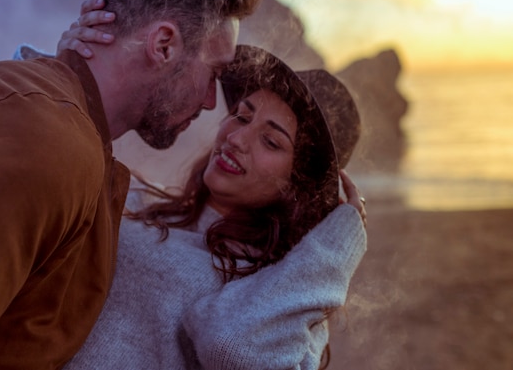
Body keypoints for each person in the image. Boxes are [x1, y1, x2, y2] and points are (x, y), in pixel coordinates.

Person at [0, 0, 261, 368]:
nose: (211, 100)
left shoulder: (48, 123)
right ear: (163, 45)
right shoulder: (45, 145)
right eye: (213, 72)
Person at [35, 37, 366, 368]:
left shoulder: (282, 291)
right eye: (241, 116)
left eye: (270, 141)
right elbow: (42, 169)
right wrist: (72, 62)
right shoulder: (142, 198)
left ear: (298, 185)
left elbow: (232, 349)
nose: (235, 139)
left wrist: (336, 243)